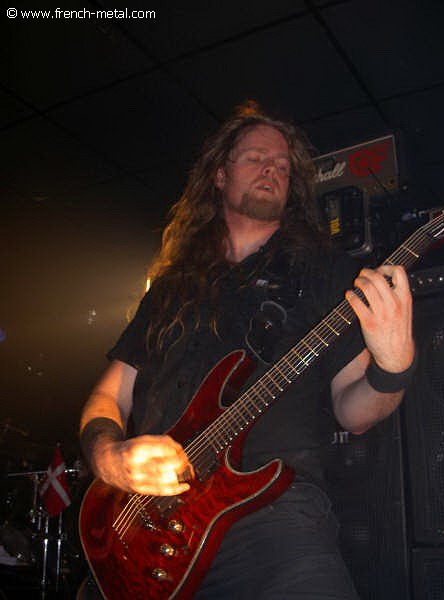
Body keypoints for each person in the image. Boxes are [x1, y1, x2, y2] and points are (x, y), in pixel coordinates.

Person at [79, 102, 415, 599]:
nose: (271, 169)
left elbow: (355, 411)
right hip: (147, 529)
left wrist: (394, 366)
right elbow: (108, 397)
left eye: (282, 166)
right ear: (219, 175)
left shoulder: (326, 273)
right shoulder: (170, 289)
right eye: (256, 157)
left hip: (274, 526)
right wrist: (109, 457)